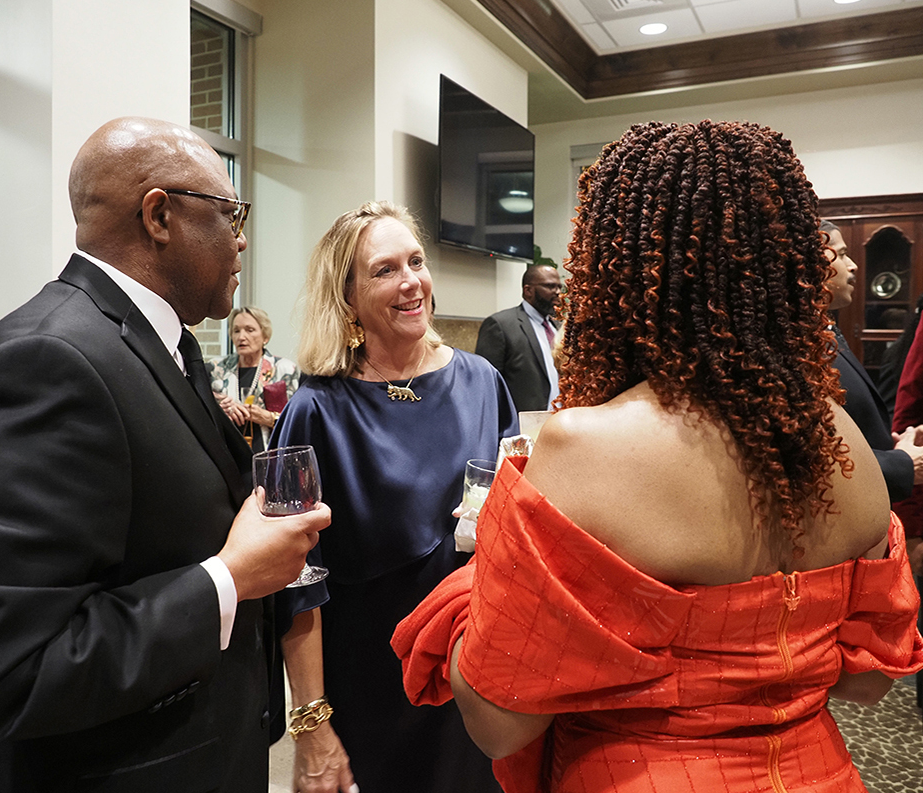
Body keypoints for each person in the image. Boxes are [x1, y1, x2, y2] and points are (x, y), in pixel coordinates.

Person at [393, 121, 923, 793]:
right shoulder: (845, 444)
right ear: (787, 262)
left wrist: (484, 581)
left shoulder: (583, 448)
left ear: (613, 267)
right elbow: (869, 679)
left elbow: (499, 721)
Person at [0, 117, 329, 792]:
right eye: (230, 212)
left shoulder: (167, 346)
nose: (242, 236)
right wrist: (228, 578)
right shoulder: (47, 360)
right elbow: (1, 675)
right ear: (160, 215)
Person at [271, 201, 518, 793]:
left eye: (416, 261)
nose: (411, 282)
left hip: (476, 682)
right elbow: (292, 579)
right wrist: (311, 722)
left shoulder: (483, 381)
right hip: (372, 689)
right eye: (385, 270)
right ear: (347, 298)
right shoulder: (314, 410)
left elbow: (522, 515)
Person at [821, 219, 923, 504]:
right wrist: (902, 464)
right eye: (840, 255)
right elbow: (817, 458)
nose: (853, 265)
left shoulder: (826, 332)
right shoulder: (799, 347)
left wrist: (896, 446)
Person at [210, 306, 300, 450]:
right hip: (228, 453)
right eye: (236, 331)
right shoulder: (216, 369)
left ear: (265, 337)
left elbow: (297, 422)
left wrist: (268, 418)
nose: (241, 337)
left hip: (269, 453)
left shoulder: (285, 369)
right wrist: (220, 411)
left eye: (249, 330)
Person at [475, 264, 563, 411]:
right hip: (522, 424)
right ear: (528, 290)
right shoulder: (501, 325)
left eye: (559, 287)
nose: (558, 292)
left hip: (560, 419)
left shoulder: (558, 326)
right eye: (550, 286)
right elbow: (486, 385)